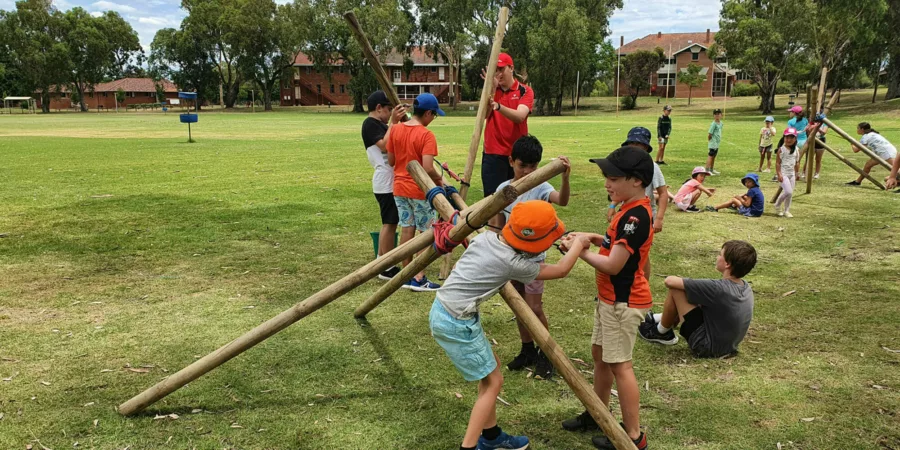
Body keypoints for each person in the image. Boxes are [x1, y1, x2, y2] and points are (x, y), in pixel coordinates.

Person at [430, 201, 589, 450]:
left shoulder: (485, 239)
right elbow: (560, 270)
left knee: (489, 372)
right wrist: (579, 244)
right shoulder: (513, 263)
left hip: (446, 311)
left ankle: (492, 436)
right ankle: (470, 446)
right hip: (457, 322)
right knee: (494, 383)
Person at [560, 146, 653, 450]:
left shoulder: (635, 218)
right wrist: (590, 237)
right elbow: (614, 245)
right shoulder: (626, 208)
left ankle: (634, 436)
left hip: (623, 304)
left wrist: (580, 250)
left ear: (636, 180)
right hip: (609, 299)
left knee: (620, 365)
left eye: (613, 177)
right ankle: (597, 413)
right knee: (601, 357)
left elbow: (614, 264)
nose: (606, 184)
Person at [491, 135, 571, 380]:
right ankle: (527, 350)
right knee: (519, 307)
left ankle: (546, 354)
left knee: (534, 308)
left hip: (534, 261)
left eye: (532, 167)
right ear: (511, 161)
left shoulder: (541, 187)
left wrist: (565, 178)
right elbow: (497, 224)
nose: (527, 171)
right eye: (522, 165)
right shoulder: (503, 190)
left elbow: (563, 201)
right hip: (510, 260)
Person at [638, 240, 757, 359]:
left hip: (707, 347)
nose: (717, 257)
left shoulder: (718, 288)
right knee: (695, 295)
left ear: (727, 264)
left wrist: (687, 283)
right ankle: (656, 318)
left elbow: (669, 281)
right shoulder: (745, 287)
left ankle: (660, 332)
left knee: (677, 289)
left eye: (720, 254)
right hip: (728, 347)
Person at [387, 93, 446, 291]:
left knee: (406, 228)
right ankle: (419, 277)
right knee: (425, 232)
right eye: (434, 115)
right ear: (428, 113)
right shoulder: (426, 135)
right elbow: (428, 168)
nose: (433, 119)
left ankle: (406, 274)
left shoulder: (395, 129)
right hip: (419, 190)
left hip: (399, 188)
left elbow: (392, 161)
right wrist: (441, 181)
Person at [362, 91, 407, 280]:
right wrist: (394, 123)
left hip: (389, 180)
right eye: (388, 109)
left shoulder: (380, 124)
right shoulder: (370, 124)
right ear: (378, 108)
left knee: (390, 222)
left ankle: (382, 260)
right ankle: (386, 266)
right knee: (390, 223)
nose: (390, 114)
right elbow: (385, 146)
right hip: (384, 181)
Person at [481, 53, 535, 196]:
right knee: (492, 199)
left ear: (511, 68)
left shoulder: (525, 90)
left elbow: (519, 116)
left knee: (518, 197)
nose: (498, 74)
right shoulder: (490, 91)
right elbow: (484, 116)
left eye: (501, 69)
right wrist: (491, 90)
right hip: (493, 153)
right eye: (495, 70)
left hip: (517, 155)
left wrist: (498, 106)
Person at [846, 122, 897, 187]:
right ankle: (858, 182)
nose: (857, 130)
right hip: (881, 153)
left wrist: (851, 143)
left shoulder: (865, 137)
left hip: (886, 152)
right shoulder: (872, 134)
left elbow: (856, 150)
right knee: (868, 165)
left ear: (862, 129)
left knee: (896, 169)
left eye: (858, 128)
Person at [774, 128, 800, 218]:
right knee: (788, 191)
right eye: (786, 137)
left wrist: (797, 173)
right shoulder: (781, 150)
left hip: (791, 174)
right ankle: (777, 205)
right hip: (783, 173)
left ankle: (787, 210)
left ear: (795, 139)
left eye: (791, 138)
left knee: (790, 193)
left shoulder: (796, 149)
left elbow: (797, 162)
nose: (788, 140)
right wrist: (779, 174)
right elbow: (778, 163)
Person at [706, 109, 723, 175]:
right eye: (715, 114)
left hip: (717, 142)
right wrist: (711, 141)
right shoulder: (713, 124)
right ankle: (707, 170)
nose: (717, 115)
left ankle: (711, 169)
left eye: (718, 114)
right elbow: (710, 134)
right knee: (711, 155)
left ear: (721, 115)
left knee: (714, 156)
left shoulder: (721, 123)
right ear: (713, 115)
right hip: (713, 142)